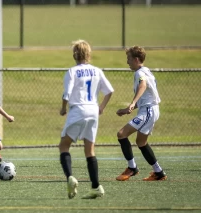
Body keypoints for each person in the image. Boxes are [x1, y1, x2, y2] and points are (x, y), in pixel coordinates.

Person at [59, 39, 114, 199]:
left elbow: (66, 94)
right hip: (93, 111)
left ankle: (70, 177)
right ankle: (96, 187)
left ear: (75, 54)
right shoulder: (97, 71)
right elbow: (109, 91)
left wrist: (63, 108)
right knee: (89, 150)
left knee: (64, 146)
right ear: (89, 54)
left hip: (78, 110)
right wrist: (101, 107)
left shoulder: (72, 72)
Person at [116, 46, 167, 181]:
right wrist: (129, 108)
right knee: (141, 142)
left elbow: (143, 85)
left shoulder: (140, 73)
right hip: (150, 109)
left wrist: (132, 103)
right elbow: (146, 95)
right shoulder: (146, 71)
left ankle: (132, 168)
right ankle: (159, 172)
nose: (127, 62)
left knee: (122, 134)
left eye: (129, 59)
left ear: (136, 59)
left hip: (149, 111)